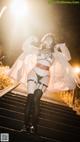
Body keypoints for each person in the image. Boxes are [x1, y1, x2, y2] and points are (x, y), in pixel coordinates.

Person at [20, 33, 56, 134]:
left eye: (50, 39)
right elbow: (25, 47)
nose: (48, 40)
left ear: (53, 42)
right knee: (30, 99)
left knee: (36, 99)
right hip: (34, 73)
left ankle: (33, 126)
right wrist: (30, 38)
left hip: (45, 76)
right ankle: (25, 125)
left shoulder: (55, 53)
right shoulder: (38, 50)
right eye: (46, 39)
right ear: (44, 40)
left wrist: (63, 47)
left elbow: (68, 57)